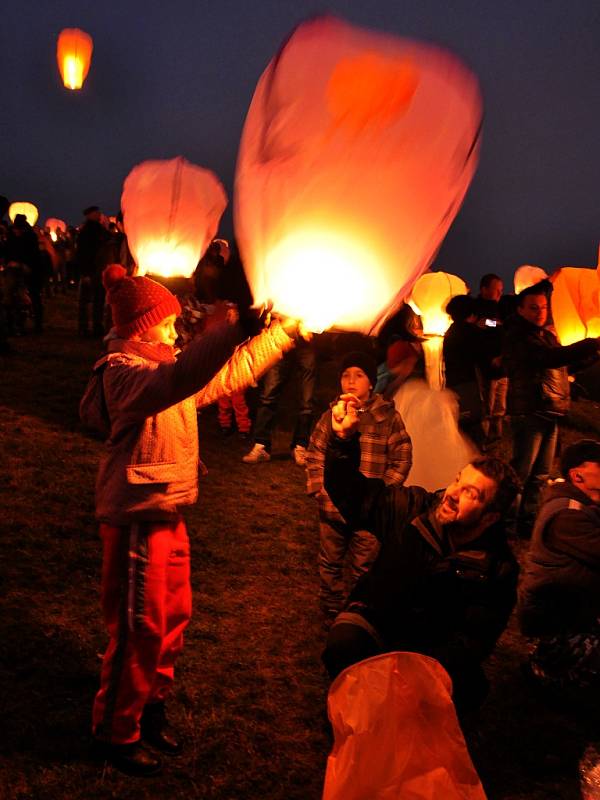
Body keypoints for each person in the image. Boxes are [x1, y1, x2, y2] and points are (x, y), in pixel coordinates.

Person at [84, 264, 300, 776]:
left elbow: (223, 373)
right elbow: (182, 376)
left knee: (173, 618)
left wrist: (281, 333)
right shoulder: (124, 372)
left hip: (168, 510)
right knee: (140, 627)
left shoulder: (161, 364)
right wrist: (236, 326)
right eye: (166, 322)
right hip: (137, 516)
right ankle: (116, 731)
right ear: (142, 325)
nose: (174, 329)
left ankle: (150, 706)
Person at [321, 393, 521, 712]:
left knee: (462, 694)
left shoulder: (496, 568)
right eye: (458, 481)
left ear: (491, 516)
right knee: (345, 643)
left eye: (470, 493)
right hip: (379, 619)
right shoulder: (413, 509)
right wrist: (343, 442)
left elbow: (473, 640)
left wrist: (421, 671)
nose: (453, 493)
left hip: (428, 646)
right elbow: (356, 498)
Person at [306, 351, 412, 624]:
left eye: (359, 375)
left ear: (372, 381)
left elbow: (401, 456)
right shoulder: (333, 415)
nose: (351, 381)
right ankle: (330, 607)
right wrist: (319, 486)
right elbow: (315, 451)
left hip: (370, 511)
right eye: (345, 375)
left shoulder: (387, 417)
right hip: (333, 506)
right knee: (330, 561)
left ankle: (354, 610)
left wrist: (383, 495)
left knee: (363, 564)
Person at [502, 281, 600, 537]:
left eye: (544, 307)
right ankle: (506, 523)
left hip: (549, 409)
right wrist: (589, 343)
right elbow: (548, 359)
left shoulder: (545, 335)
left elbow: (561, 366)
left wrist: (592, 354)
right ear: (521, 310)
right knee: (521, 472)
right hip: (530, 410)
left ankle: (527, 523)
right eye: (534, 308)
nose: (540, 312)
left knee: (541, 472)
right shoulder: (517, 335)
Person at [518, 439, 600, 696]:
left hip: (575, 611)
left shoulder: (584, 506)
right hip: (554, 625)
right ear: (578, 475)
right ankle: (549, 673)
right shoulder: (567, 515)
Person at [242, 337, 317, 466]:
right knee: (268, 394)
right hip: (283, 338)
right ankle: (262, 446)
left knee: (307, 399)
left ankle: (300, 445)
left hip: (307, 342)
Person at [473, 274, 507, 445]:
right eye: (496, 290)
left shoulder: (500, 308)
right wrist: (496, 324)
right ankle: (483, 439)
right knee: (487, 402)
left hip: (502, 364)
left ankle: (496, 436)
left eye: (501, 290)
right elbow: (483, 323)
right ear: (484, 290)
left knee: (500, 404)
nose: (500, 294)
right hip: (486, 364)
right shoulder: (477, 307)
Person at [75, 206, 111, 337]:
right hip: (94, 270)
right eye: (97, 213)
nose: (99, 215)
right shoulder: (92, 230)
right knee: (95, 300)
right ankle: (93, 326)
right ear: (90, 214)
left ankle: (85, 327)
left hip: (92, 270)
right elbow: (83, 253)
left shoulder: (89, 229)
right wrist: (85, 272)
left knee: (89, 301)